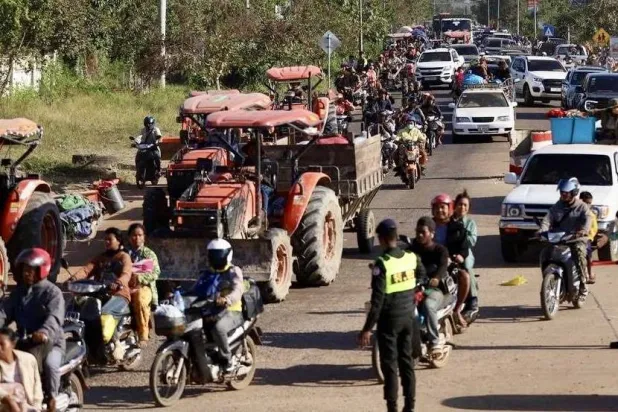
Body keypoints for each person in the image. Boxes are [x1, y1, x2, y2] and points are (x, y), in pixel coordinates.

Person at [358, 219, 423, 412]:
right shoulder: (411, 257)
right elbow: (422, 274)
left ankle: (392, 408)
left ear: (384, 240)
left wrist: (367, 329)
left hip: (390, 321)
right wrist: (413, 292)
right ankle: (410, 407)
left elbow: (377, 301)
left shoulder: (382, 264)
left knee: (390, 367)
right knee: (407, 364)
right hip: (409, 318)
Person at [0, 249, 64, 412]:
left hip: (51, 343)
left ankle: (52, 398)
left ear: (41, 270)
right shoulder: (18, 293)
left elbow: (54, 318)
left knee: (50, 365)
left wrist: (44, 332)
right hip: (24, 341)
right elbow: (4, 313)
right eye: (24, 269)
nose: (26, 273)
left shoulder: (52, 292)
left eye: (30, 269)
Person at [71, 227, 133, 357]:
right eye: (105, 240)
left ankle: (116, 342)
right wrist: (74, 279)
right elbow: (87, 270)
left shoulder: (124, 256)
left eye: (109, 239)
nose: (106, 242)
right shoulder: (101, 257)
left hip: (119, 294)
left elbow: (127, 273)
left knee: (104, 314)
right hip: (100, 293)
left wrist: (118, 283)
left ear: (119, 241)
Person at [192, 239, 244, 373]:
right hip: (211, 310)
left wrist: (227, 299)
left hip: (232, 311)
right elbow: (196, 288)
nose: (216, 258)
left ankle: (227, 360)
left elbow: (238, 290)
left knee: (218, 328)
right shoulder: (208, 272)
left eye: (219, 254)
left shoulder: (233, 271)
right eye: (213, 254)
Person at [539, 178, 591, 297]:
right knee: (545, 253)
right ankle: (549, 280)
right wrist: (541, 231)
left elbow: (588, 219)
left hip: (576, 238)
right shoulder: (557, 206)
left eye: (566, 193)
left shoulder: (582, 207)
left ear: (574, 193)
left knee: (579, 252)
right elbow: (547, 219)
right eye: (561, 192)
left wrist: (583, 230)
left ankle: (583, 284)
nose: (563, 195)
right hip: (559, 238)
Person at [408, 216, 450, 354]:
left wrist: (437, 277)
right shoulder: (411, 250)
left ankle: (434, 342)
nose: (419, 235)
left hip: (434, 290)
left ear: (432, 233)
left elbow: (443, 266)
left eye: (423, 232)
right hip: (414, 288)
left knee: (428, 306)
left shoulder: (440, 250)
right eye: (417, 232)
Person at [431, 194, 471, 328]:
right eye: (436, 208)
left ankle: (457, 310)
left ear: (450, 209)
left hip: (450, 264)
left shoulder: (458, 228)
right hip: (430, 264)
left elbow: (464, 247)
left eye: (443, 207)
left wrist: (459, 256)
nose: (439, 210)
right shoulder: (428, 226)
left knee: (465, 276)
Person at [126, 223, 161, 347]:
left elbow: (156, 272)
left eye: (140, 235)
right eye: (134, 235)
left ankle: (143, 334)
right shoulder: (124, 253)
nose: (137, 238)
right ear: (129, 237)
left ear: (144, 237)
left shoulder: (148, 254)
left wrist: (139, 277)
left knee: (140, 299)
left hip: (144, 287)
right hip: (125, 286)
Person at [0, 328, 43, 412]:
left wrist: (37, 406)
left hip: (28, 407)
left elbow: (37, 386)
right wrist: (9, 400)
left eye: (2, 344)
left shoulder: (29, 359)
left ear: (13, 344)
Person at [452, 190, 480, 323]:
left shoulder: (470, 224)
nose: (462, 207)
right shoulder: (449, 221)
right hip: (449, 251)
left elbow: (471, 242)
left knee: (467, 267)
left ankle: (473, 300)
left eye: (465, 205)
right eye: (460, 204)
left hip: (465, 253)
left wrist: (461, 232)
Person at [579, 191, 598, 284]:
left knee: (588, 256)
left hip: (586, 239)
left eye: (589, 203)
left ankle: (590, 274)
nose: (587, 205)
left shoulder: (591, 214)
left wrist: (589, 236)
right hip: (572, 237)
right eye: (585, 203)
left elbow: (594, 228)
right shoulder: (574, 212)